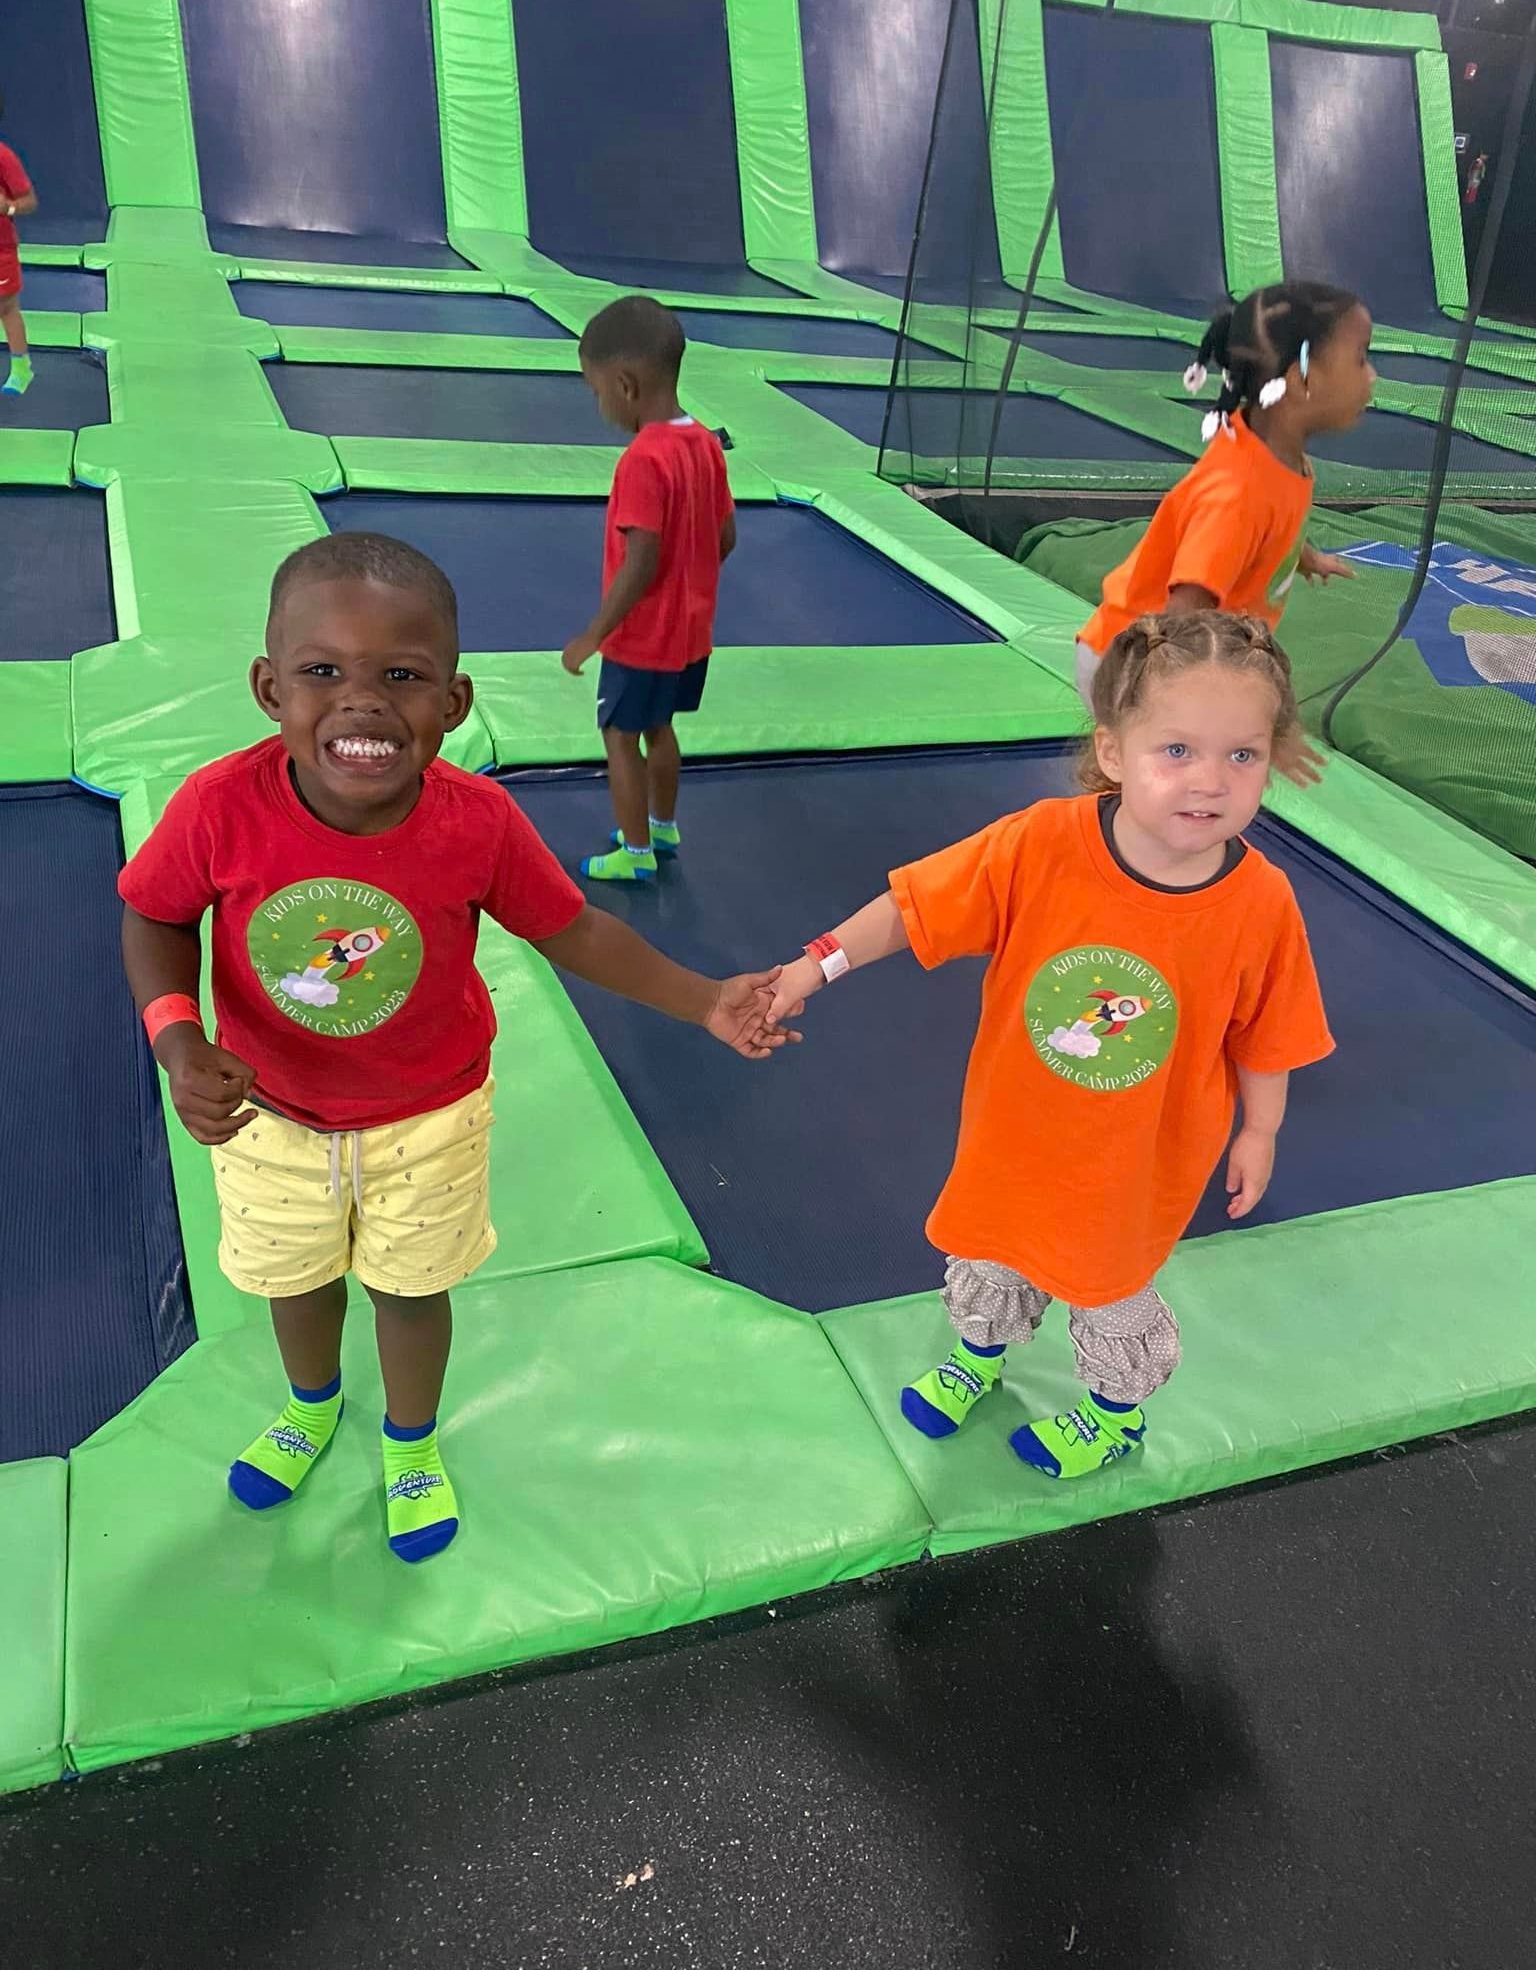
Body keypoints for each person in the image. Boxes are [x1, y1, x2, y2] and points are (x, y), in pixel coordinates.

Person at [118, 533, 794, 1564]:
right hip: (273, 1116)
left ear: (454, 701)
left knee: (409, 1287)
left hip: (426, 1117)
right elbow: (154, 916)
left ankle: (412, 1437)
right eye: (321, 672)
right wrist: (177, 1038)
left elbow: (575, 929)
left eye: (401, 675)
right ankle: (310, 1406)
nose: (361, 702)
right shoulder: (219, 807)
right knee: (296, 1280)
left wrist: (703, 999)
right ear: (269, 688)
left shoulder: (474, 821)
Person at [766, 610, 1334, 1480]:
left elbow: (1271, 1032)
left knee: (1107, 1290)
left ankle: (1115, 1416)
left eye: (1242, 755)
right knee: (991, 1249)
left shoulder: (1262, 904)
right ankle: (982, 1358)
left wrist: (1261, 1131)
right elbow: (917, 906)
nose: (1209, 781)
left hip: (1134, 1165)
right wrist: (819, 962)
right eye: (1176, 750)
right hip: (1014, 1139)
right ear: (1113, 751)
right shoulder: (1041, 844)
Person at [1074, 281, 1376, 713]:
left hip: (1167, 649)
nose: (1372, 376)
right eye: (1361, 359)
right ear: (1302, 377)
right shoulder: (1237, 494)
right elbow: (1181, 616)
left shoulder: (1274, 454)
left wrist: (1303, 556)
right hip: (1131, 662)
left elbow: (1272, 523)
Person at [561, 296, 735, 883]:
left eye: (597, 390)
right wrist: (691, 583)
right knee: (662, 729)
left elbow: (641, 559)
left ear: (626, 385)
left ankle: (634, 855)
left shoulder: (642, 459)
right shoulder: (706, 443)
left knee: (619, 736)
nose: (598, 403)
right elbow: (725, 536)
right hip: (691, 636)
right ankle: (663, 826)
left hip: (641, 642)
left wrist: (594, 633)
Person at [0, 106, 39, 397]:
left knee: (7, 307)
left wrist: (8, 207)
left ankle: (21, 368)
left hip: (1, 249)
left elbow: (29, 201)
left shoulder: (4, 157)